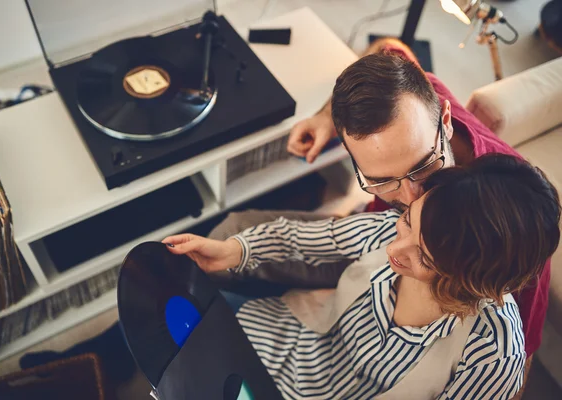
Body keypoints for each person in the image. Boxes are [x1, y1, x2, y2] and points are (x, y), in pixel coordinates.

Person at [208, 39, 553, 393]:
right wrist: (326, 118)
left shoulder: (506, 227)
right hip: (361, 247)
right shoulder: (410, 94)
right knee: (225, 239)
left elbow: (518, 354)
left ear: (445, 122)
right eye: (381, 181)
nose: (410, 197)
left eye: (423, 167)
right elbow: (387, 47)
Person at [164, 154, 561, 399]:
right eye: (408, 221)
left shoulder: (492, 358)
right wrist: (233, 251)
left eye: (423, 256)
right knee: (172, 351)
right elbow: (307, 238)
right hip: (294, 338)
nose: (393, 249)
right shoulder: (391, 232)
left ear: (473, 280)